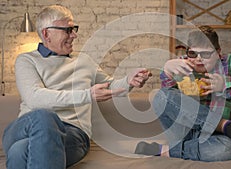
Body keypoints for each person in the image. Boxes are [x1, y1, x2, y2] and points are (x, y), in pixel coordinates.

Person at [2, 5, 151, 169]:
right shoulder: (26, 60)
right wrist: (87, 95)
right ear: (46, 34)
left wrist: (129, 81)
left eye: (74, 29)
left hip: (72, 134)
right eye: (68, 30)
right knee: (44, 117)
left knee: (19, 151)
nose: (74, 35)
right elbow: (35, 98)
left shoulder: (84, 61)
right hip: (26, 127)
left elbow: (110, 85)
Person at [134, 26, 231, 161]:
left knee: (229, 149)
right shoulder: (180, 64)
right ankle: (223, 124)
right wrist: (166, 73)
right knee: (160, 95)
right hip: (183, 130)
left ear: (218, 53)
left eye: (206, 54)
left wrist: (226, 86)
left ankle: (165, 151)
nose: (198, 59)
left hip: (213, 136)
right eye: (193, 53)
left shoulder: (229, 63)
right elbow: (167, 100)